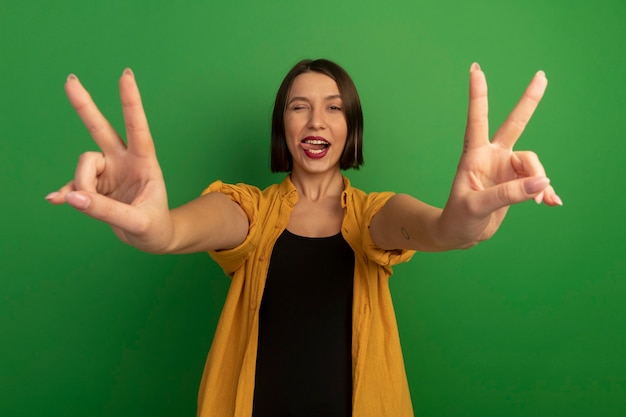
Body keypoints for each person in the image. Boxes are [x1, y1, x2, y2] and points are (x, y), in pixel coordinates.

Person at [46, 59, 562, 417]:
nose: (316, 119)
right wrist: (155, 228)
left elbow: (436, 227)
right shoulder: (250, 208)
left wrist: (463, 224)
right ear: (283, 125)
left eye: (334, 107)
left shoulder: (374, 216)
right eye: (299, 106)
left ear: (351, 125)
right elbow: (177, 229)